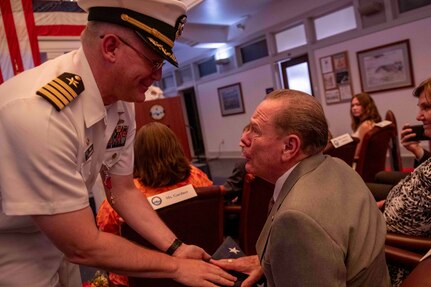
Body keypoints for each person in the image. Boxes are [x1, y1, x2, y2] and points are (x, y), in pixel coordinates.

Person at [0, 1, 236, 286]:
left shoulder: (121, 101)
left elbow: (122, 190)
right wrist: (175, 267)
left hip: (61, 240)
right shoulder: (41, 113)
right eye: (153, 61)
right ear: (111, 47)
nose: (158, 75)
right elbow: (83, 245)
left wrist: (177, 248)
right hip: (12, 246)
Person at [211, 89, 390, 287]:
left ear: (289, 147)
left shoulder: (296, 219)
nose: (243, 139)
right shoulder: (337, 166)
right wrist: (273, 262)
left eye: (255, 130)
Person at [97, 122, 213, 286]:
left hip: (140, 279)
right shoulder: (198, 178)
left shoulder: (118, 202)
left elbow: (106, 241)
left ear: (137, 154)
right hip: (198, 267)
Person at [383, 77, 431, 286]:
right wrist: (418, 151)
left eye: (427, 108)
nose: (419, 116)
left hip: (393, 258)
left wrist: (364, 230)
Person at [350, 92, 382, 159]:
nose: (354, 108)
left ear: (367, 106)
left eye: (358, 104)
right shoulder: (370, 122)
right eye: (352, 105)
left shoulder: (366, 125)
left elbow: (357, 153)